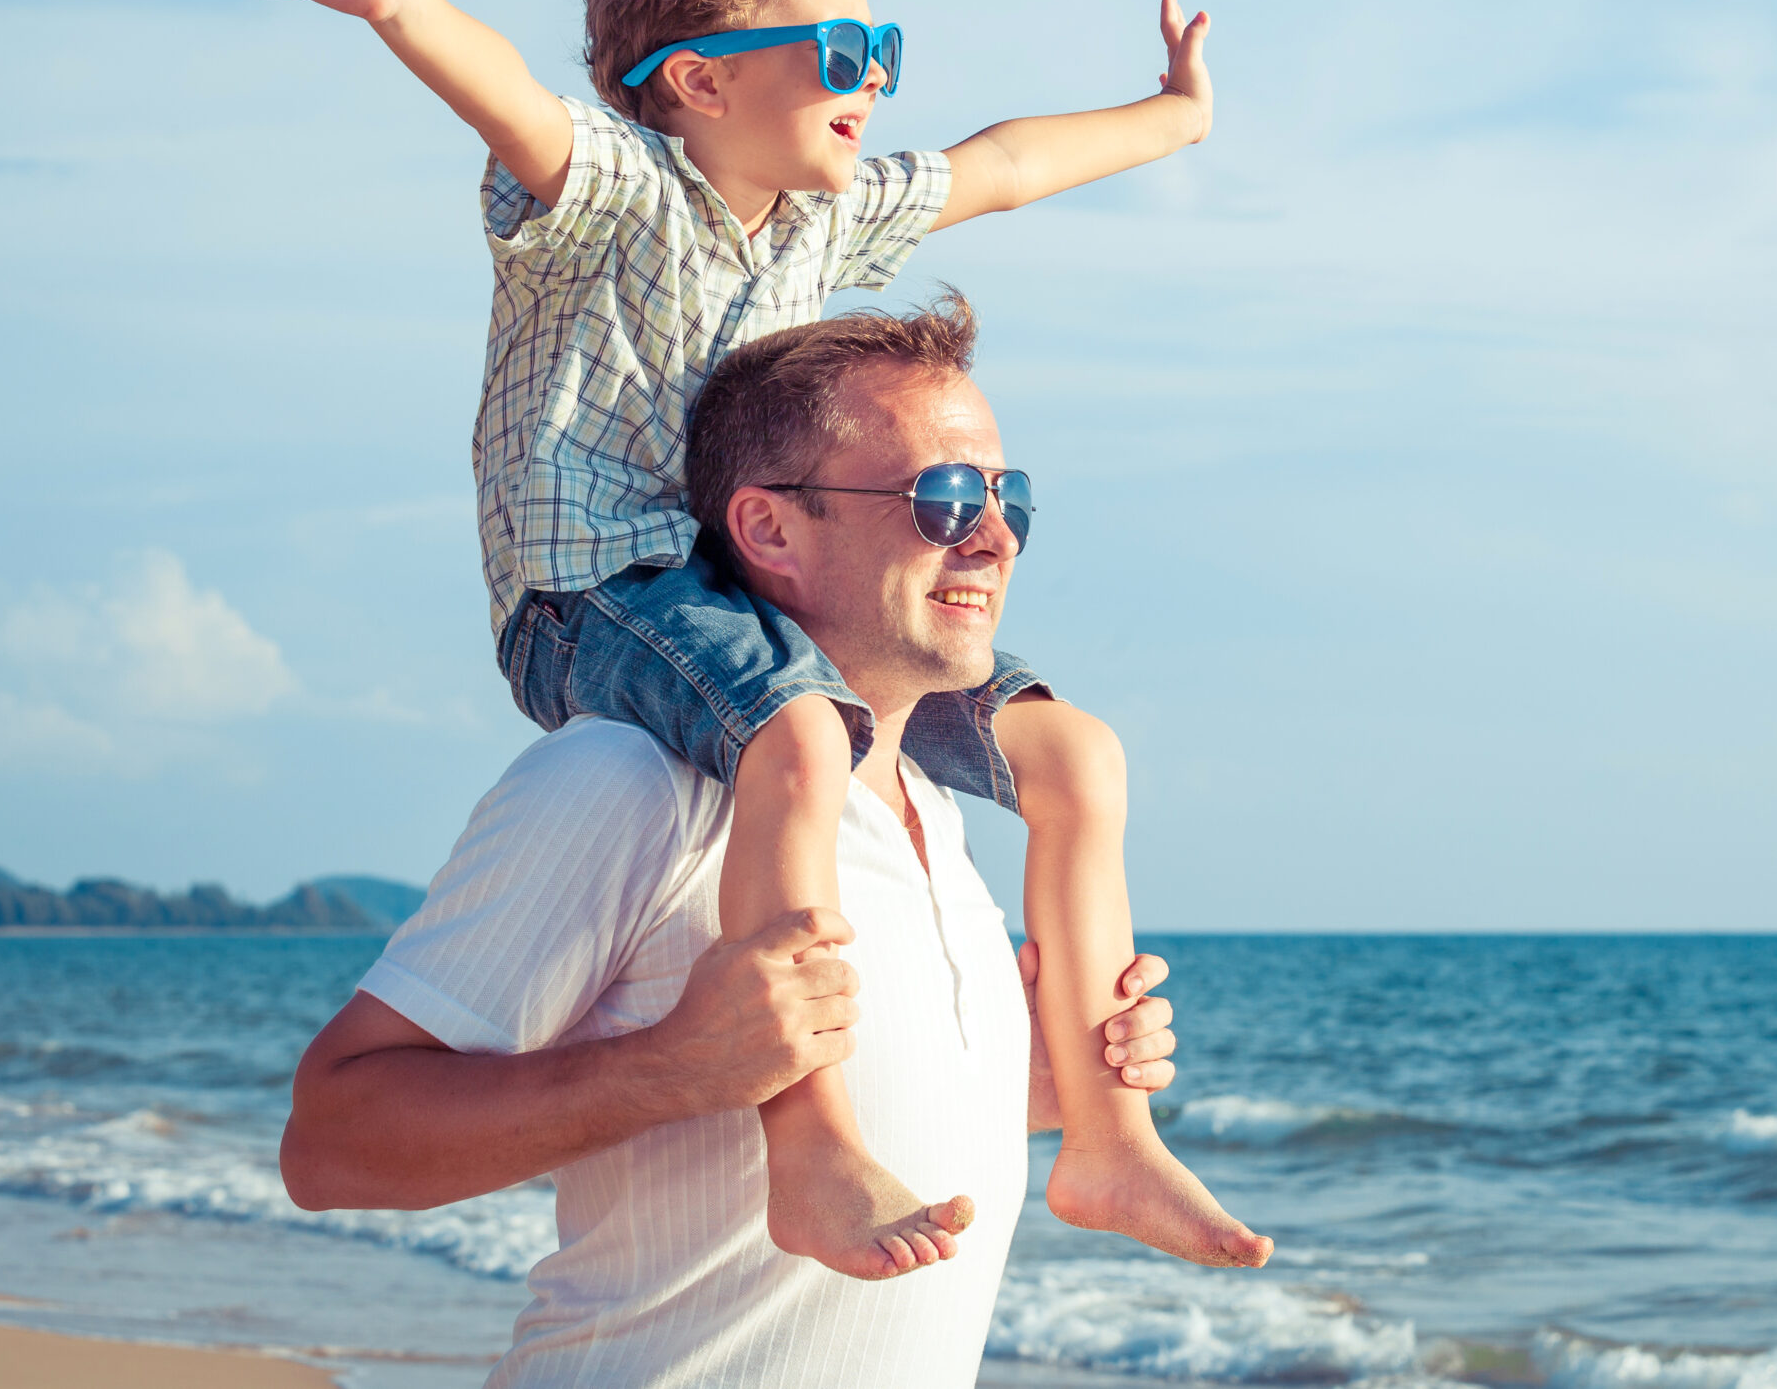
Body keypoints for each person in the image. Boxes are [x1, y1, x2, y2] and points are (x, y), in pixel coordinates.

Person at [223, 0, 1267, 1276]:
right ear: (703, 79)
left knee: (1076, 754)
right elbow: (516, 103)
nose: (877, 77)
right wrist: (401, 4)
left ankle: (1108, 1135)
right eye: (840, 49)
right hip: (596, 590)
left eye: (884, 42)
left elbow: (1006, 166)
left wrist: (1177, 119)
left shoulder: (822, 220)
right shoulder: (609, 195)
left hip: (737, 593)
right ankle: (811, 1140)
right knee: (796, 739)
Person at [282, 294, 1193, 1386]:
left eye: (1009, 497)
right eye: (943, 499)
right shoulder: (628, 783)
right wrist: (668, 1072)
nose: (994, 538)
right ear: (768, 530)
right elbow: (329, 1144)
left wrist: (1033, 1087)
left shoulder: (941, 825)